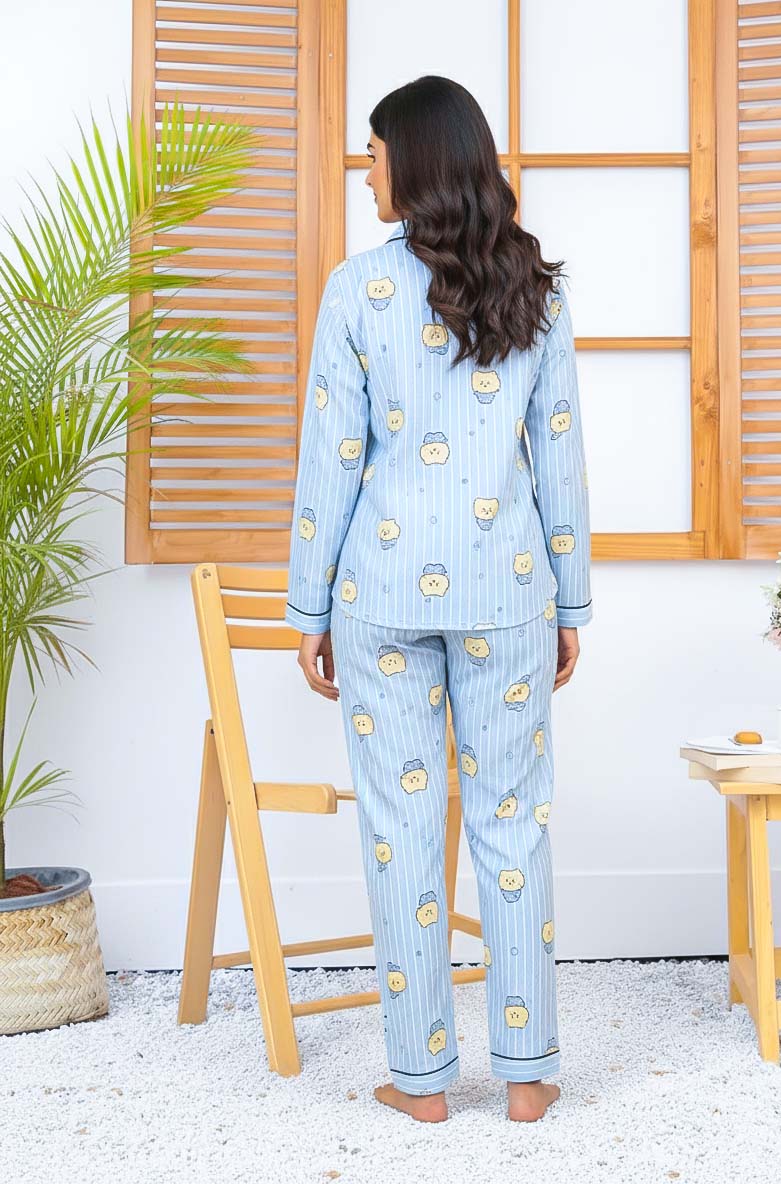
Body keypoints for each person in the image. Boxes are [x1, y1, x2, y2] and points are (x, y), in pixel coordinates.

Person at [285, 75, 592, 1124]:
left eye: (373, 154)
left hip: (380, 594)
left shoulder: (356, 290)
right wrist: (570, 604)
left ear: (412, 160)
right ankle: (527, 1074)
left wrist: (308, 608)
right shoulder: (535, 288)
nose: (364, 172)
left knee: (401, 829)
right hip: (509, 592)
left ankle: (419, 1083)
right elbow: (560, 460)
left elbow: (331, 459)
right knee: (513, 823)